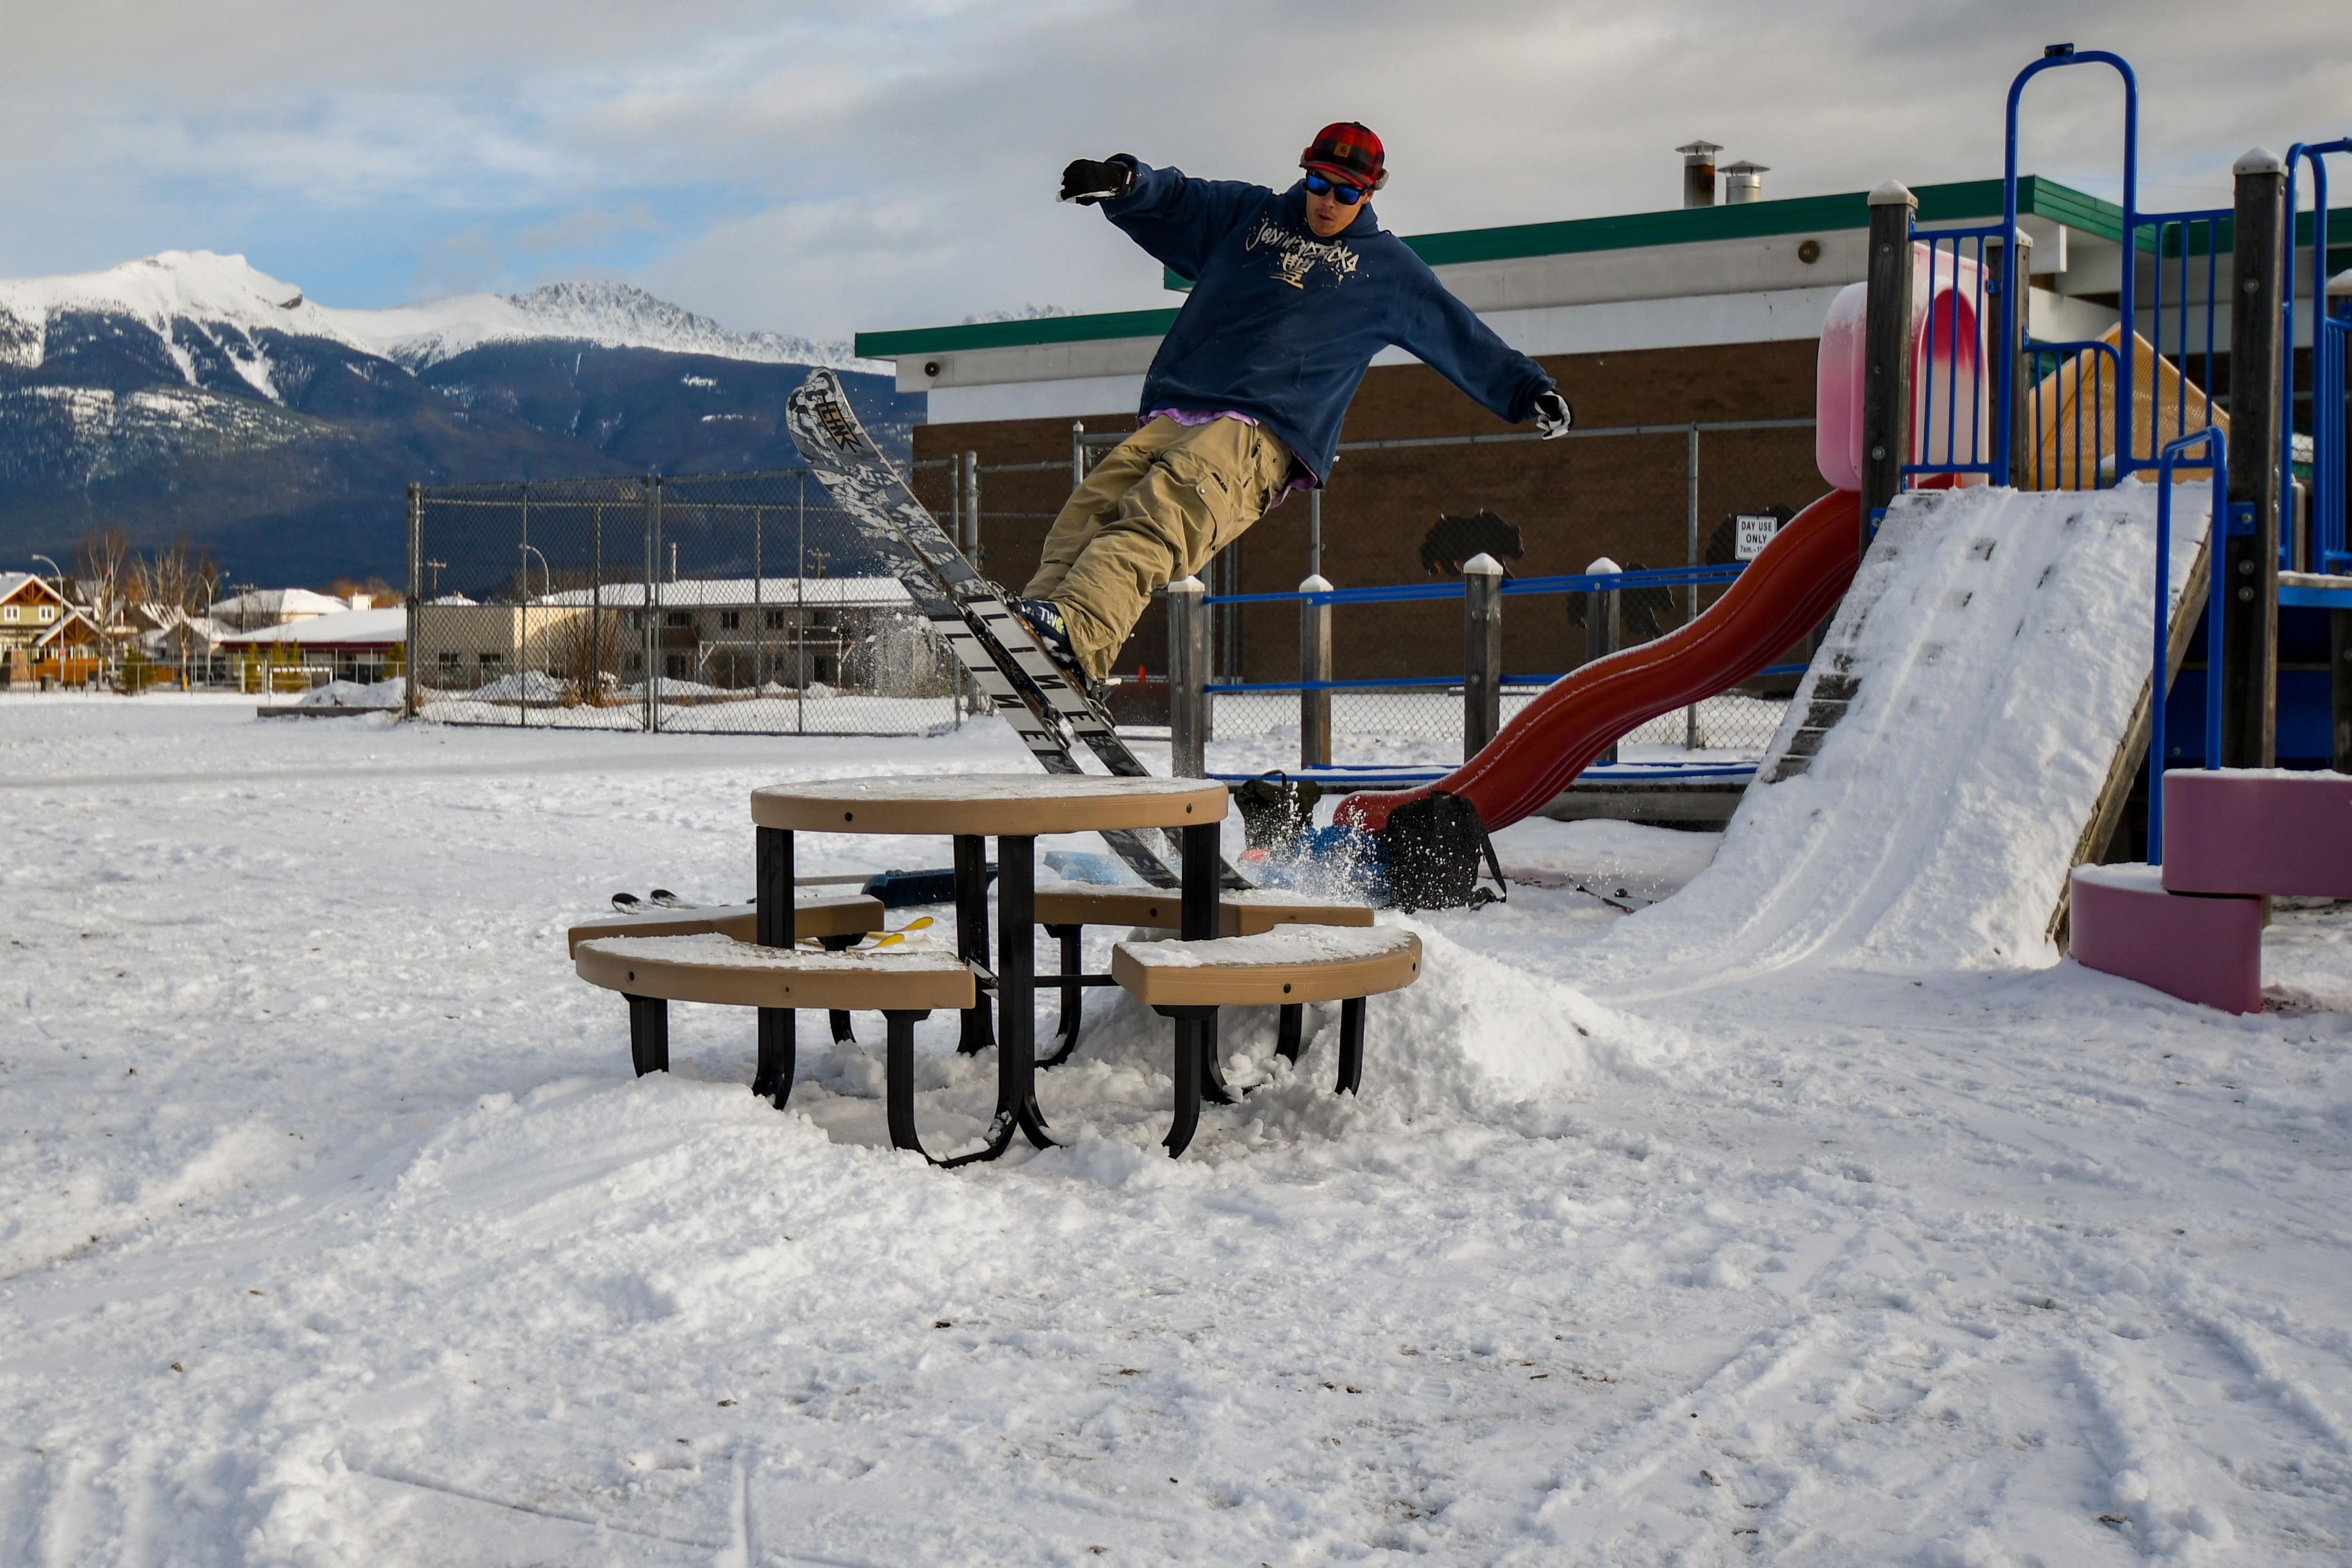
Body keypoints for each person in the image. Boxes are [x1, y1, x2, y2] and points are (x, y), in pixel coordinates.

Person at [1011, 121, 1572, 685]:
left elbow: (1458, 334)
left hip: (1259, 432)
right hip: (1178, 409)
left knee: (1160, 515)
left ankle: (1076, 629)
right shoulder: (1249, 216)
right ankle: (1041, 635)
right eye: (1318, 184)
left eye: (1346, 193)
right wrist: (1125, 182)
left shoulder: (1389, 272)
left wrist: (1527, 390)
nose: (1328, 202)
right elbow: (1179, 198)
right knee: (1088, 512)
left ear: (1369, 194)